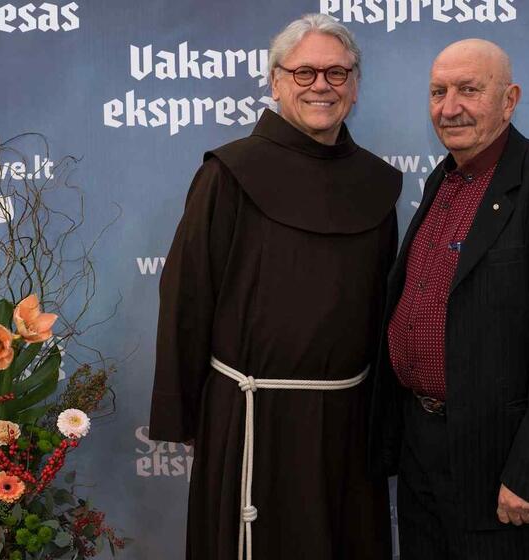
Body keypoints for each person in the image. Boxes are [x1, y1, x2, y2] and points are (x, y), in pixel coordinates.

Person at [149, 13, 400, 560]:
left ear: (355, 86)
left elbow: (384, 314)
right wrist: (186, 413)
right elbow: (187, 294)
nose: (320, 86)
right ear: (276, 81)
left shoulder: (378, 185)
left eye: (336, 73)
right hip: (250, 417)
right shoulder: (229, 173)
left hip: (347, 424)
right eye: (304, 72)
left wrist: (385, 423)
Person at [370, 39, 529, 559]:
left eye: (469, 90)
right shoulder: (444, 180)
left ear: (509, 99)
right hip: (421, 450)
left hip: (502, 465)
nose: (449, 107)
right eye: (438, 92)